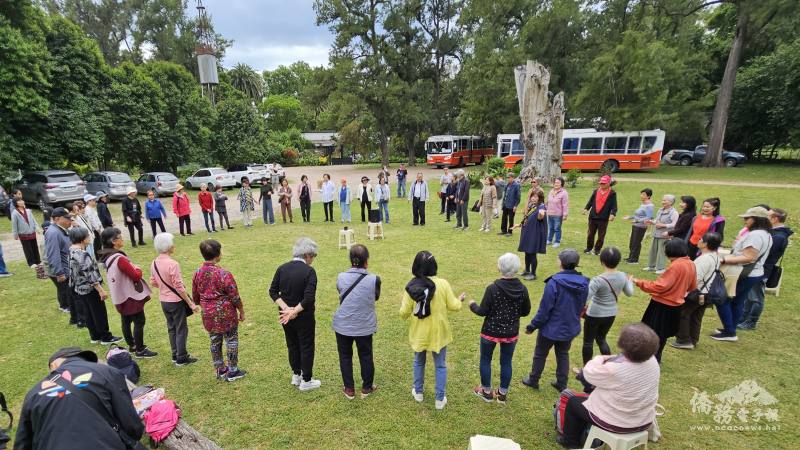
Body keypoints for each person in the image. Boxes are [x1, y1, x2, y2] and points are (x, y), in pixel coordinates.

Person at [14, 347, 144, 449]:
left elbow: (23, 444)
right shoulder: (108, 372)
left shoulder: (34, 394)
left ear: (53, 366)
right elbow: (132, 426)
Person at [558, 323, 660, 448]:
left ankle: (570, 443)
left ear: (623, 345)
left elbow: (588, 373)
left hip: (618, 423)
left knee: (574, 403)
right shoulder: (653, 362)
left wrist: (600, 358)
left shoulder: (615, 370)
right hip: (643, 421)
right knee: (588, 399)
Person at [399, 251, 465, 410]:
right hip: (438, 333)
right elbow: (454, 306)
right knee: (440, 365)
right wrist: (459, 300)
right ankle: (440, 399)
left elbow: (403, 313)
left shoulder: (411, 286)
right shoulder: (443, 283)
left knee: (418, 361)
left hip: (419, 332)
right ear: (434, 265)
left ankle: (418, 392)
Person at [521, 249, 589, 391]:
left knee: (540, 353)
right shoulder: (584, 283)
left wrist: (532, 326)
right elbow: (582, 305)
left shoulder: (554, 283)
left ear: (561, 263)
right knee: (563, 353)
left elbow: (545, 309)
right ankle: (561, 383)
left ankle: (534, 379)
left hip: (550, 329)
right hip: (570, 327)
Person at [469, 253, 531, 404]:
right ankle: (502, 394)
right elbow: (525, 311)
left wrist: (472, 305)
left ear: (499, 267)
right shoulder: (522, 289)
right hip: (510, 333)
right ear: (516, 268)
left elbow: (482, 311)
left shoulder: (493, 288)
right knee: (506, 362)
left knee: (485, 359)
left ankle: (486, 391)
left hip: (490, 331)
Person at [630, 239, 696, 362]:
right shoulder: (690, 263)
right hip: (676, 306)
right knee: (663, 334)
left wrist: (638, 282)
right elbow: (692, 286)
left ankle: (650, 359)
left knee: (652, 333)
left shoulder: (676, 266)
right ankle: (656, 358)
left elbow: (660, 286)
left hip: (662, 306)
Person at [269, 238, 321, 391]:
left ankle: (296, 375)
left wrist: (286, 309)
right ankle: (306, 380)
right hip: (303, 316)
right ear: (307, 255)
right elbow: (308, 298)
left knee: (292, 344)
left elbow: (273, 291)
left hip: (285, 316)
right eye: (314, 256)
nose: (313, 259)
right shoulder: (309, 272)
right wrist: (293, 311)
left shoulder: (282, 268)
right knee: (306, 346)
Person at [715, 207, 773, 341]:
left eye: (748, 218)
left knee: (722, 299)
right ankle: (730, 329)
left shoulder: (756, 235)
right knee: (738, 301)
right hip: (753, 273)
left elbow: (749, 257)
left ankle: (729, 332)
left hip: (744, 273)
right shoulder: (765, 234)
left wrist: (724, 259)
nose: (744, 220)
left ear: (757, 219)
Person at [193, 239, 246, 381]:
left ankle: (220, 369)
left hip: (208, 315)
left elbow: (195, 296)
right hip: (226, 314)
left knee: (214, 341)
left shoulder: (198, 273)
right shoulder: (224, 274)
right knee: (231, 340)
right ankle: (233, 371)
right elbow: (234, 296)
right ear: (218, 254)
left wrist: (205, 304)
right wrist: (241, 310)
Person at [332, 244, 381, 399]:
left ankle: (349, 389)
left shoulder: (341, 277)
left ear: (351, 260)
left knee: (345, 356)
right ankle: (366, 387)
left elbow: (341, 292)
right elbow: (375, 297)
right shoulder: (374, 279)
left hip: (343, 326)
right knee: (366, 355)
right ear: (366, 261)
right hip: (364, 325)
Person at [99, 227, 157, 358]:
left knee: (125, 320)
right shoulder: (119, 258)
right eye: (120, 237)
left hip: (120, 295)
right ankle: (140, 349)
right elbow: (135, 276)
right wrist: (138, 269)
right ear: (114, 241)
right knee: (139, 321)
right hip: (129, 296)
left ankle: (132, 345)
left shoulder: (107, 255)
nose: (122, 239)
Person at [151, 233, 201, 366]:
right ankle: (181, 357)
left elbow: (153, 282)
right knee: (181, 329)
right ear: (168, 247)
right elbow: (179, 287)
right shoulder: (173, 264)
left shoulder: (154, 263)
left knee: (172, 328)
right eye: (172, 243)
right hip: (175, 301)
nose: (174, 245)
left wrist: (164, 288)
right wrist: (191, 304)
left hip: (164, 301)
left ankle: (175, 354)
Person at [739, 209, 792, 330]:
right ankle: (743, 318)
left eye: (767, 216)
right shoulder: (773, 233)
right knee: (749, 296)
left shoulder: (779, 236)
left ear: (774, 219)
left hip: (762, 270)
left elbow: (763, 253)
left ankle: (751, 321)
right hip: (758, 269)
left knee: (756, 298)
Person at [68, 227, 120, 346]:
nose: (89, 237)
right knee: (98, 312)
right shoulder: (82, 254)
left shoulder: (71, 250)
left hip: (79, 288)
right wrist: (100, 290)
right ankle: (106, 337)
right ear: (82, 238)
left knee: (88, 312)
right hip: (90, 288)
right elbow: (89, 273)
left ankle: (95, 336)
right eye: (87, 235)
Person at [582, 247, 633, 364]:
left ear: (602, 261)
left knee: (588, 342)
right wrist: (630, 281)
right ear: (618, 261)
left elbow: (584, 298)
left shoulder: (597, 280)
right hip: (611, 314)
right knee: (601, 338)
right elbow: (629, 293)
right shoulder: (622, 276)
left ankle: (586, 370)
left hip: (594, 314)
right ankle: (609, 366)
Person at [672, 232, 721, 349]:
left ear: (705, 244)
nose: (698, 241)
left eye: (701, 240)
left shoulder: (704, 259)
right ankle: (693, 339)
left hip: (697, 292)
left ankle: (683, 340)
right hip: (707, 292)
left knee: (683, 313)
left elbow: (695, 277)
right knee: (696, 316)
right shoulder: (716, 257)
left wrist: (683, 290)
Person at [45, 208, 76, 320]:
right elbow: (53, 254)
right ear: (57, 219)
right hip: (62, 269)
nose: (70, 221)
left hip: (66, 267)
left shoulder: (60, 229)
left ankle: (67, 307)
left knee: (67, 290)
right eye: (67, 218)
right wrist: (59, 272)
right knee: (65, 290)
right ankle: (66, 307)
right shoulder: (53, 232)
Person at [514, 188, 547, 281]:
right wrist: (519, 224)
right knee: (526, 252)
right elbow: (527, 217)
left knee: (532, 253)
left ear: (540, 198)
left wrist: (541, 214)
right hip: (528, 232)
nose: (533, 198)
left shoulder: (541, 207)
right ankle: (527, 270)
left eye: (536, 197)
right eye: (532, 196)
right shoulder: (533, 206)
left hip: (534, 234)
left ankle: (533, 273)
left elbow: (540, 217)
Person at [582, 175, 617, 255]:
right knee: (590, 234)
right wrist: (586, 209)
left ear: (608, 183)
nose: (602, 184)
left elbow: (614, 205)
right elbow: (590, 201)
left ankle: (597, 249)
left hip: (603, 218)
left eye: (604, 183)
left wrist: (613, 214)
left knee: (601, 236)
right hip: (593, 216)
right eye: (601, 183)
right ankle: (589, 248)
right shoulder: (595, 191)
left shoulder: (612, 193)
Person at [644, 194, 679, 274]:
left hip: (665, 235)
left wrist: (663, 225)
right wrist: (651, 222)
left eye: (665, 200)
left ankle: (661, 268)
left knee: (662, 252)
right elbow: (657, 220)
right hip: (656, 233)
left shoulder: (674, 212)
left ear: (670, 202)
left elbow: (674, 224)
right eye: (662, 200)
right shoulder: (660, 210)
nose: (662, 202)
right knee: (652, 250)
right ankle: (651, 266)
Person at [623, 188, 654, 264]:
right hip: (635, 225)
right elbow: (638, 215)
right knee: (632, 242)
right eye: (641, 194)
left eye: (643, 194)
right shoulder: (643, 204)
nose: (641, 196)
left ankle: (634, 259)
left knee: (636, 242)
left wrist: (637, 220)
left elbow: (648, 218)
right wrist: (629, 217)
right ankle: (631, 257)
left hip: (641, 226)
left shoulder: (649, 206)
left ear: (648, 196)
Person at [11, 198, 41, 268]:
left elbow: (33, 220)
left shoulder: (28, 211)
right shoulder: (15, 213)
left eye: (22, 200)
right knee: (27, 249)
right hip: (23, 234)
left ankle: (38, 261)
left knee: (34, 247)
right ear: (16, 203)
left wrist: (37, 228)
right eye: (19, 201)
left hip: (32, 232)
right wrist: (15, 235)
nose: (22, 201)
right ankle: (31, 263)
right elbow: (14, 225)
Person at [545, 177, 569, 246]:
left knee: (557, 228)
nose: (556, 184)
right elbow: (547, 202)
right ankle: (549, 240)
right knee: (550, 228)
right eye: (555, 182)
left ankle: (557, 241)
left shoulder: (564, 193)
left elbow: (565, 204)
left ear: (561, 184)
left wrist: (565, 214)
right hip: (549, 213)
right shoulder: (551, 191)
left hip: (558, 215)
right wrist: (545, 209)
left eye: (558, 182)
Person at [83, 194, 104, 258]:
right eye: (93, 200)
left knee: (99, 244)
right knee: (97, 245)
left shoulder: (91, 208)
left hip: (98, 228)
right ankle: (98, 258)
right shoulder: (88, 210)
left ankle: (100, 257)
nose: (95, 202)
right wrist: (98, 230)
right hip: (95, 230)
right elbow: (92, 221)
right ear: (89, 201)